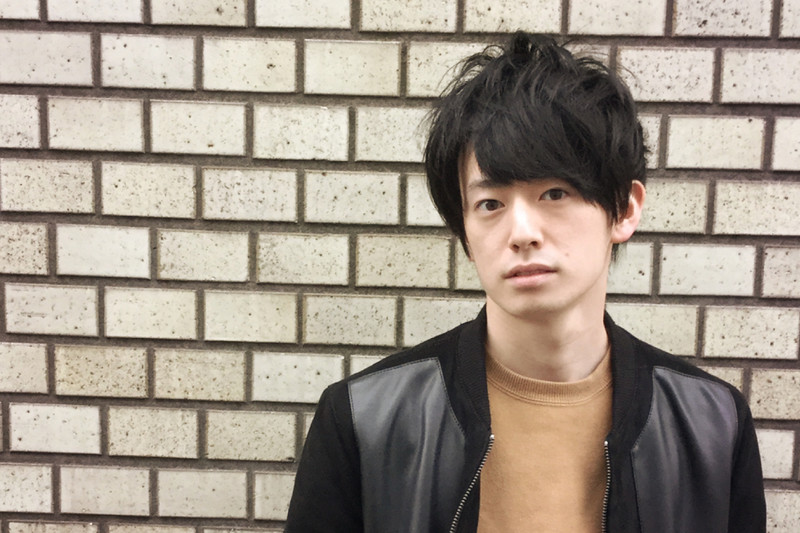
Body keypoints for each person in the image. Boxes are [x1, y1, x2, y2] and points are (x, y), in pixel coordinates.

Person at [285, 33, 766, 533]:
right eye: (490, 204)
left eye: (554, 193)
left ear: (624, 209)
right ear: (465, 233)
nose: (521, 232)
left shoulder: (714, 424)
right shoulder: (363, 419)